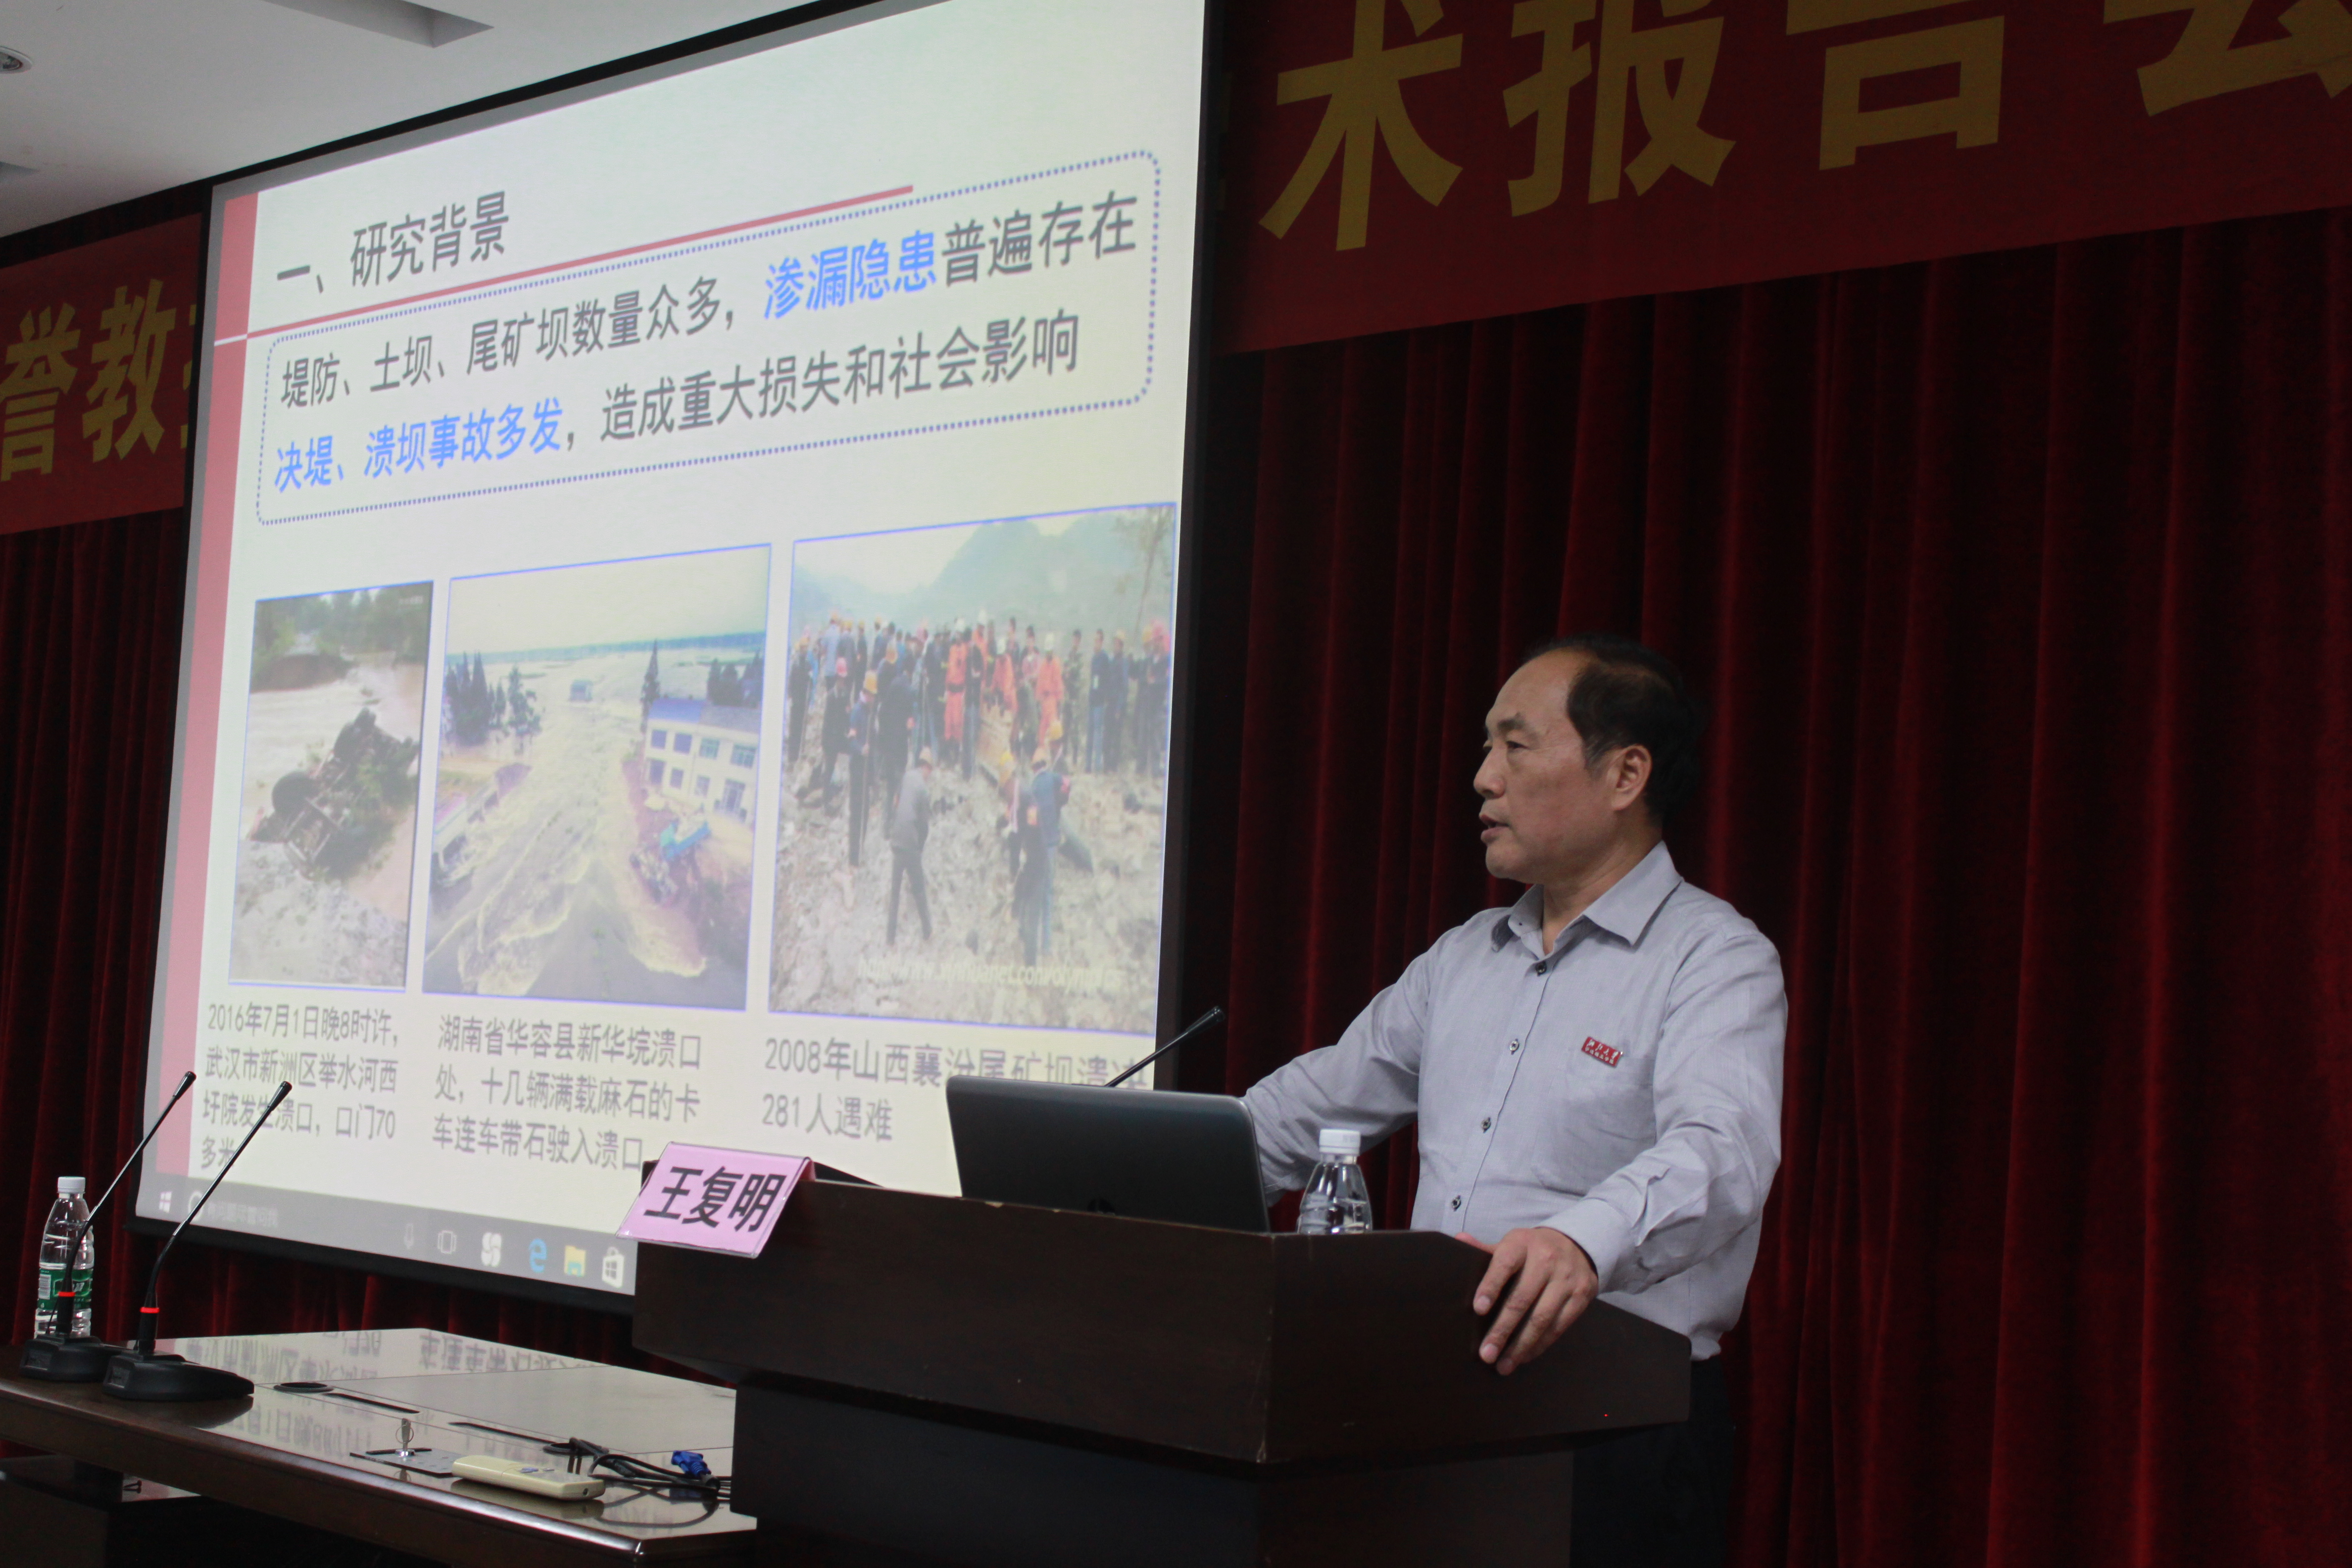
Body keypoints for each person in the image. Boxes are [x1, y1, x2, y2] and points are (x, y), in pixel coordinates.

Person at [1241, 635, 1783, 1568]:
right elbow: (1318, 1100)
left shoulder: (1713, 958)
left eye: (1515, 746)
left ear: (1625, 775)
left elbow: (1721, 1151)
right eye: (1485, 748)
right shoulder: (1464, 957)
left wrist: (1581, 1242)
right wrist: (1148, 1170)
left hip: (1615, 1429)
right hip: (1438, 1409)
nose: (1483, 778)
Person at [888, 748, 934, 945]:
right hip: (910, 844)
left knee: (895, 892)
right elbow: (924, 825)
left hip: (897, 840)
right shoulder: (924, 789)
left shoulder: (907, 776)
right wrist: (920, 848)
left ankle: (890, 938)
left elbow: (896, 802)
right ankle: (928, 932)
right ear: (928, 768)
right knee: (919, 890)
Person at [844, 672, 874, 867]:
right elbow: (851, 740)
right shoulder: (857, 712)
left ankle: (861, 851)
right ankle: (853, 857)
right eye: (873, 695)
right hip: (857, 768)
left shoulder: (869, 712)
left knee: (865, 812)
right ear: (866, 693)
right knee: (857, 813)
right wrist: (861, 749)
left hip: (866, 769)